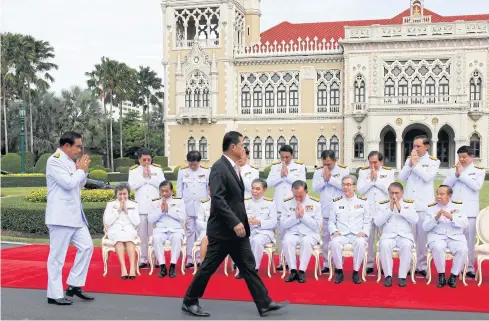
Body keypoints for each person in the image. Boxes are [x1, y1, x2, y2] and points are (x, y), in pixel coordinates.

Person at [182, 131, 288, 318]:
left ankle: (264, 303)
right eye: (241, 144)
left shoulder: (232, 167)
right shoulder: (219, 168)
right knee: (208, 267)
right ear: (232, 147)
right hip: (223, 231)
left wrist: (240, 223)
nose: (243, 148)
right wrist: (234, 222)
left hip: (238, 231)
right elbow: (218, 198)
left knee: (248, 265)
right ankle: (190, 300)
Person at [45, 131, 94, 305]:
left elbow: (78, 184)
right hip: (60, 216)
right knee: (57, 257)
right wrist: (80, 170)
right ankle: (54, 294)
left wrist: (83, 171)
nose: (80, 150)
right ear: (66, 146)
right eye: (77, 146)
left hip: (74, 216)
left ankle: (74, 284)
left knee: (87, 247)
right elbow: (68, 183)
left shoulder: (72, 162)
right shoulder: (55, 160)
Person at [399, 135, 440, 275]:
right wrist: (410, 164)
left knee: (422, 237)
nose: (415, 149)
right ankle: (409, 264)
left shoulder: (434, 161)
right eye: (414, 146)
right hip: (410, 204)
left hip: (424, 204)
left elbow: (427, 177)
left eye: (418, 146)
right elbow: (401, 178)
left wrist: (416, 164)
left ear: (426, 147)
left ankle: (421, 265)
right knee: (409, 236)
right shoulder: (409, 160)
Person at [442, 145, 485, 278]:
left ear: (471, 157)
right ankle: (457, 267)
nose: (461, 159)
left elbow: (476, 186)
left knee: (469, 241)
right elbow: (445, 186)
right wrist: (456, 174)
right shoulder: (453, 170)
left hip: (470, 212)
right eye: (460, 157)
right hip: (455, 211)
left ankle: (470, 267)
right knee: (455, 240)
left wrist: (462, 174)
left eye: (464, 157)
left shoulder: (479, 170)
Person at [267, 145, 306, 271]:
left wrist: (287, 176)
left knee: (293, 233)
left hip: (293, 205)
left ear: (292, 155)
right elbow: (268, 183)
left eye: (287, 157)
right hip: (279, 204)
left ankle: (293, 262)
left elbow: (302, 183)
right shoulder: (274, 166)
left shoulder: (299, 166)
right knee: (281, 235)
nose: (284, 159)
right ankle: (283, 261)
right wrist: (280, 175)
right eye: (282, 157)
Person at [423, 185, 468, 288]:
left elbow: (465, 223)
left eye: (442, 194)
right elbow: (425, 227)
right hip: (437, 236)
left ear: (449, 195)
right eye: (437, 194)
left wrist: (451, 217)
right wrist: (435, 218)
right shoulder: (430, 208)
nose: (438, 196)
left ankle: (453, 276)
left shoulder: (459, 206)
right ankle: (441, 275)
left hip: (455, 236)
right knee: (438, 247)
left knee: (462, 249)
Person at [312, 150, 349, 274]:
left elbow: (345, 187)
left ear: (335, 160)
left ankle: (339, 264)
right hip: (326, 209)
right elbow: (314, 188)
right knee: (326, 239)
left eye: (329, 164)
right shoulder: (318, 171)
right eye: (324, 164)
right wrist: (324, 179)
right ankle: (326, 264)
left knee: (339, 237)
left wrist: (331, 178)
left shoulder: (343, 170)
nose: (326, 166)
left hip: (341, 210)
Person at [374, 182, 418, 287]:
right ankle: (388, 276)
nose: (394, 196)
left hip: (405, 235)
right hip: (388, 235)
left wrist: (400, 209)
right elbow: (377, 222)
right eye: (392, 193)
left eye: (397, 193)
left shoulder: (409, 204)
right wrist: (389, 210)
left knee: (406, 245)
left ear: (402, 193)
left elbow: (415, 220)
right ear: (388, 193)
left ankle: (402, 276)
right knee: (384, 245)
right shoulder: (382, 204)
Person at [357, 151, 394, 273]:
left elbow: (389, 189)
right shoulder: (363, 172)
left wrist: (376, 179)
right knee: (369, 239)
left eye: (375, 162)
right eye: (370, 162)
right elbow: (360, 190)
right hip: (368, 211)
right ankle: (369, 263)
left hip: (382, 211)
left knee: (384, 239)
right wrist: (370, 181)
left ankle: (384, 265)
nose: (372, 165)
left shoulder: (388, 172)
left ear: (381, 161)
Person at [329, 175, 370, 284]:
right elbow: (331, 221)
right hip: (341, 234)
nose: (346, 187)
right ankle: (339, 271)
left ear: (355, 187)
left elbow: (367, 221)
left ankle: (356, 272)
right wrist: (334, 231)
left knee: (361, 243)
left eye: (349, 184)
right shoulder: (336, 202)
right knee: (334, 243)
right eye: (344, 185)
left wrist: (364, 232)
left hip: (357, 234)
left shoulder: (363, 201)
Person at [128, 149, 165, 268]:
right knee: (143, 236)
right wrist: (143, 178)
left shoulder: (157, 169)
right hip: (141, 207)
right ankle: (143, 259)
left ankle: (157, 259)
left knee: (156, 235)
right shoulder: (133, 170)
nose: (147, 162)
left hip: (155, 208)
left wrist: (151, 177)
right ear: (139, 159)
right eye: (144, 159)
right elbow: (131, 186)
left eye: (149, 159)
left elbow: (163, 185)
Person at [236, 179, 277, 279]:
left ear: (265, 190)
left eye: (258, 189)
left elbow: (274, 223)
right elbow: (238, 218)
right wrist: (245, 221)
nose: (254, 191)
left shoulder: (271, 203)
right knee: (240, 240)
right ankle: (243, 268)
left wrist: (258, 222)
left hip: (264, 232)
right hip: (248, 230)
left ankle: (254, 269)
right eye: (253, 188)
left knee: (257, 241)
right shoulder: (244, 202)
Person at [281, 180, 321, 283]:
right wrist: (295, 216)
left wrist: (303, 216)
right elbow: (283, 224)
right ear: (291, 191)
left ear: (306, 192)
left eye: (301, 196)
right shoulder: (286, 203)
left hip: (310, 233)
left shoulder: (315, 203)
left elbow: (316, 226)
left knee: (306, 241)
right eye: (295, 196)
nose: (298, 198)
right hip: (292, 233)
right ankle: (293, 271)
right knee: (287, 241)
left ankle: (302, 271)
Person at [177, 151, 210, 268]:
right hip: (188, 206)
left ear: (199, 162)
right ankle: (190, 259)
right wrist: (180, 206)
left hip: (203, 207)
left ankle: (200, 258)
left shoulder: (206, 171)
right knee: (190, 232)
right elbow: (179, 191)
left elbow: (209, 189)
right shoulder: (182, 171)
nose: (192, 166)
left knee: (201, 232)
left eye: (195, 164)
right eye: (191, 164)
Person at [103, 183, 140, 279]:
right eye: (120, 194)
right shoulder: (111, 204)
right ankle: (123, 268)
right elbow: (107, 221)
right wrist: (118, 210)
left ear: (128, 194)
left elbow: (136, 222)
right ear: (116, 194)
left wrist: (127, 211)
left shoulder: (134, 204)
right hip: (115, 230)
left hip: (129, 229)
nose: (122, 196)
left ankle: (132, 269)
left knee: (129, 240)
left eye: (125, 194)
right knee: (118, 240)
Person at [149, 181, 186, 278]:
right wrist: (160, 210)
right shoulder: (155, 202)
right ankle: (162, 266)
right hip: (160, 230)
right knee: (156, 239)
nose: (164, 193)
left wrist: (168, 210)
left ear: (172, 191)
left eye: (166, 191)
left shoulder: (179, 201)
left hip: (175, 229)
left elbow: (182, 217)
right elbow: (150, 219)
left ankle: (173, 266)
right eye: (162, 191)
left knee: (177, 238)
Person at [196, 189, 212, 265]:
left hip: (220, 230)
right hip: (206, 229)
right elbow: (199, 221)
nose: (210, 191)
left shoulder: (224, 202)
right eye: (209, 189)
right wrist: (209, 226)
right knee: (205, 238)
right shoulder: (204, 204)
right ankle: (203, 263)